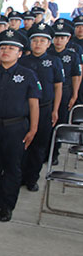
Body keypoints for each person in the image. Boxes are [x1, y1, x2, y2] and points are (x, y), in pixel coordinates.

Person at [0, 29, 41, 221]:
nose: (6, 51)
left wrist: (33, 129)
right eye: (3, 47)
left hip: (16, 128)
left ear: (20, 53)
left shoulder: (27, 75)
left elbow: (33, 103)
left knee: (13, 168)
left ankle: (7, 206)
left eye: (11, 48)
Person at [20, 23, 63, 192]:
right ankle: (20, 176)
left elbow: (58, 86)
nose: (38, 44)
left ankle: (32, 178)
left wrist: (55, 109)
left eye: (42, 41)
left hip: (45, 108)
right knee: (22, 145)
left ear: (48, 43)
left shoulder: (54, 61)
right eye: (35, 40)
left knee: (39, 146)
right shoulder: (22, 61)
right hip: (24, 109)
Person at [48, 21, 81, 164]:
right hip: (48, 93)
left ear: (68, 39)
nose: (59, 40)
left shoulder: (72, 55)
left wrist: (75, 94)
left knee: (59, 122)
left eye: (62, 38)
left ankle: (54, 152)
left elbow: (76, 76)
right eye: (56, 37)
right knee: (46, 123)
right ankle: (44, 152)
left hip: (65, 92)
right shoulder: (47, 53)